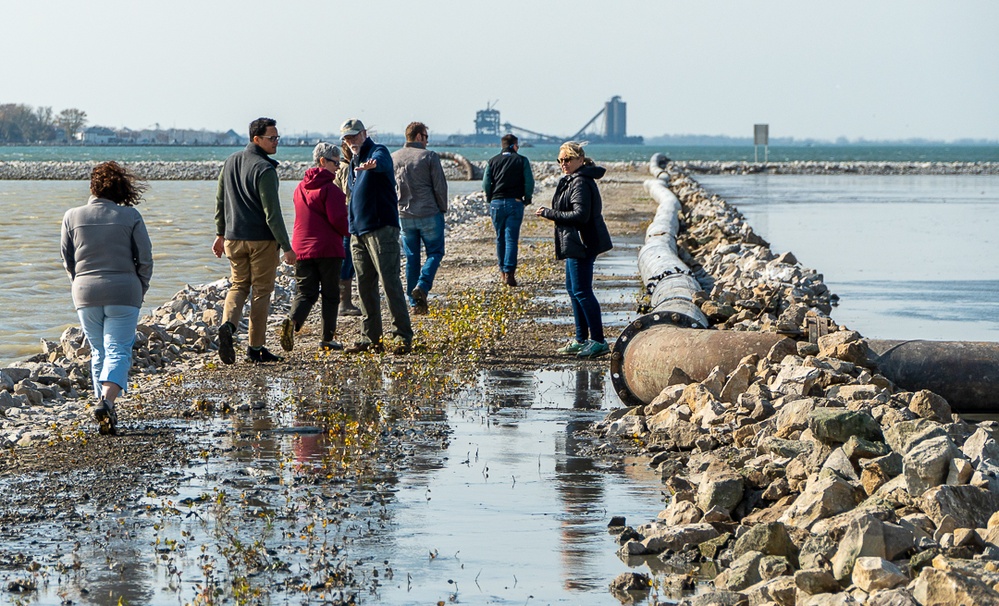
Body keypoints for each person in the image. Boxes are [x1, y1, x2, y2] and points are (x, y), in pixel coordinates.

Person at [61, 161, 153, 435]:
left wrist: (78, 285)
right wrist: (140, 287)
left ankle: (103, 404)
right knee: (118, 349)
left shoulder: (71, 216)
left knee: (99, 351)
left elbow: (68, 260)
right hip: (124, 290)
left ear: (92, 187)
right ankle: (107, 402)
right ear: (121, 189)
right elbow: (145, 259)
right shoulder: (131, 216)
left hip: (85, 292)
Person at [212, 117, 295, 364]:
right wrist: (287, 247)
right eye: (272, 138)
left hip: (233, 239)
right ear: (256, 139)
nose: (276, 142)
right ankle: (255, 348)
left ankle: (228, 325)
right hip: (261, 241)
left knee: (238, 286)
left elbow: (220, 202)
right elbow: (273, 214)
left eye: (278, 137)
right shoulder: (265, 169)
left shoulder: (230, 162)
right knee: (261, 292)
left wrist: (219, 234)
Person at [340, 118, 413, 354]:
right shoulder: (353, 161)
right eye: (346, 138)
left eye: (353, 136)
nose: (350, 141)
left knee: (390, 282)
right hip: (358, 233)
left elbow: (381, 163)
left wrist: (372, 164)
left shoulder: (377, 151)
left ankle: (402, 336)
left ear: (363, 133)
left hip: (382, 228)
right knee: (364, 286)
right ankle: (370, 338)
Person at [535, 141, 613, 359]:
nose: (563, 164)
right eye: (560, 160)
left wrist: (549, 213)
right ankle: (581, 339)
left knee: (582, 291)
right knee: (573, 289)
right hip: (574, 242)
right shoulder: (572, 180)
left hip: (582, 242)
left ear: (580, 159)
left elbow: (580, 215)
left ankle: (598, 340)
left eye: (567, 159)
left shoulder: (580, 182)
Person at [280, 142, 349, 352]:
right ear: (322, 161)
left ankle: (292, 321)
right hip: (328, 249)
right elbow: (338, 220)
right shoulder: (331, 190)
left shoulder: (299, 188)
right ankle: (327, 339)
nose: (338, 168)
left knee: (305, 292)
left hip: (301, 248)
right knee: (330, 295)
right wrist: (351, 231)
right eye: (335, 163)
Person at [391, 121, 448, 314]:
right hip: (429, 212)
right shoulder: (429, 156)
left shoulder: (393, 157)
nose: (427, 141)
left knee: (412, 257)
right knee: (435, 252)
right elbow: (439, 186)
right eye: (426, 137)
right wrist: (443, 208)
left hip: (404, 214)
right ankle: (422, 286)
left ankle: (414, 304)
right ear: (418, 136)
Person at [483, 133, 534, 287]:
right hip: (515, 202)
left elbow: (486, 182)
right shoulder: (522, 160)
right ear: (514, 145)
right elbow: (529, 181)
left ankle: (502, 272)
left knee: (500, 238)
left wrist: (489, 198)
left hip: (496, 202)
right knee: (511, 238)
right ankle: (510, 273)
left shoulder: (492, 161)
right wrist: (528, 197)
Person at [334, 142, 362, 317]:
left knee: (347, 261)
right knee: (347, 261)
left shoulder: (344, 167)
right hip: (347, 221)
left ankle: (344, 301)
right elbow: (347, 196)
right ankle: (344, 302)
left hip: (345, 220)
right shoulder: (346, 168)